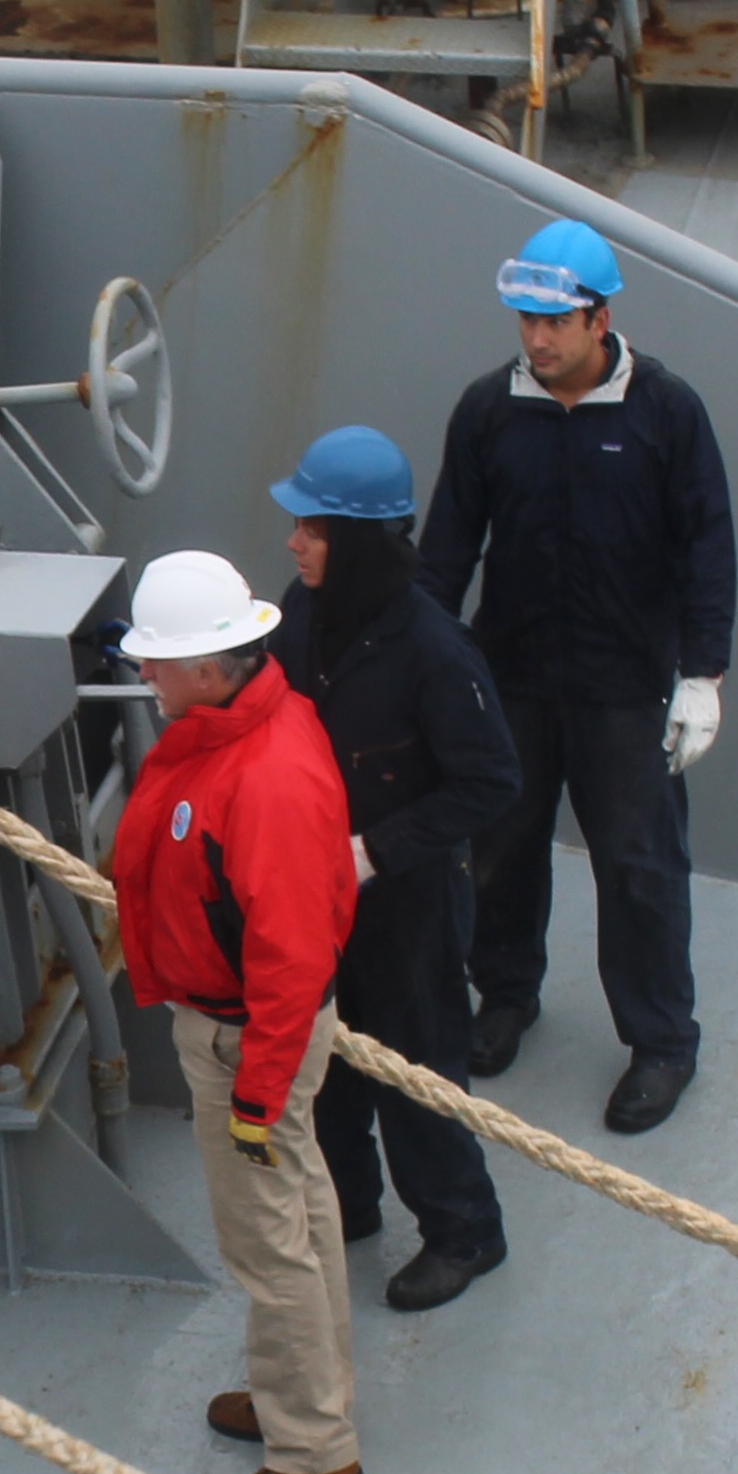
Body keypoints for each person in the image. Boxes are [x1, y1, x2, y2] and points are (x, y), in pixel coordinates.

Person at [420, 213, 736, 1137]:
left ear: (603, 321)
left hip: (623, 689)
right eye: (525, 320)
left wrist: (702, 674)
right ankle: (507, 994)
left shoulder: (666, 415)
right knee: (500, 849)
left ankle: (662, 1041)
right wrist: (428, 668)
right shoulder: (489, 412)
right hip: (511, 679)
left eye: (555, 322)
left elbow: (705, 547)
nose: (537, 338)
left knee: (639, 865)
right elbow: (448, 550)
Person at [107, 549, 366, 1474]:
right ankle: (300, 1390)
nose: (145, 675)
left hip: (248, 1043)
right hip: (241, 1033)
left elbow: (292, 954)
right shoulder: (247, 729)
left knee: (271, 1243)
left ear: (210, 670)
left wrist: (257, 1092)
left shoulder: (262, 778)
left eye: (157, 662)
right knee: (293, 1224)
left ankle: (312, 1450)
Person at [268, 428, 521, 1316]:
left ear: (360, 541)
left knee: (416, 1073)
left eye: (312, 528)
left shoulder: (436, 651)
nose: (293, 542)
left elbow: (492, 780)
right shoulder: (300, 618)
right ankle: (350, 1206)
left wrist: (372, 852)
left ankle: (465, 1232)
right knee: (328, 1064)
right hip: (316, 901)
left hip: (408, 903)